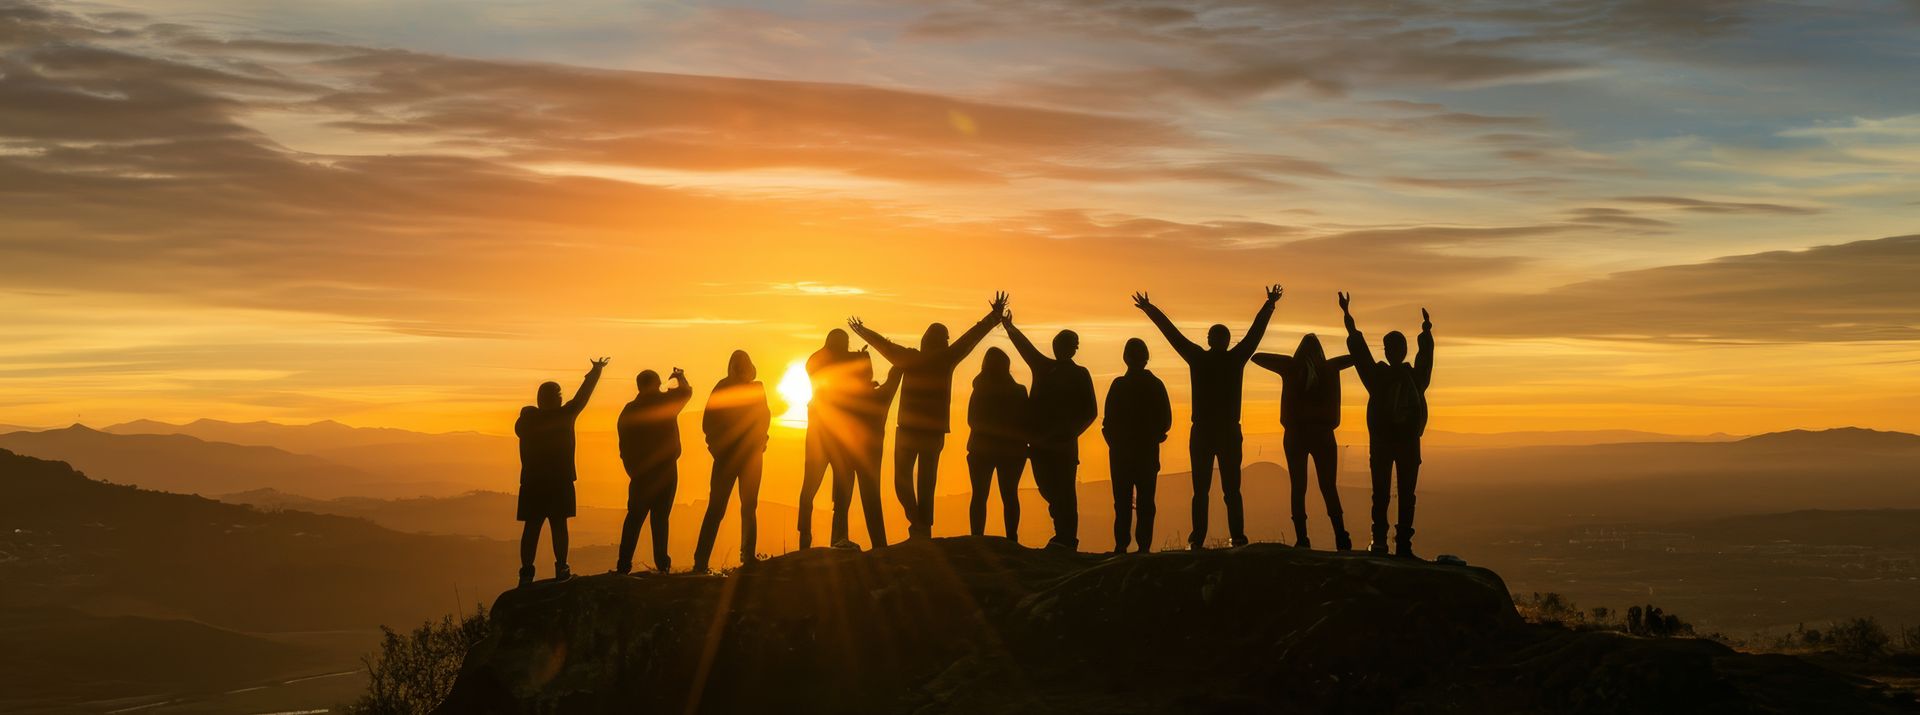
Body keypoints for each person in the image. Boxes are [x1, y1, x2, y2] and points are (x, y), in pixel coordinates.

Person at [847, 292, 1008, 539]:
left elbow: (885, 347)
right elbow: (970, 339)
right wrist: (994, 316)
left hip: (911, 430)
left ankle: (919, 525)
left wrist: (864, 331)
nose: (946, 341)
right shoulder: (945, 358)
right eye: (944, 337)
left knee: (903, 482)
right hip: (931, 432)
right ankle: (922, 526)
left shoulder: (911, 358)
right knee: (925, 485)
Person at [1133, 285, 1281, 550]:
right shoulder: (1235, 358)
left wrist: (1150, 310)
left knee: (1202, 490)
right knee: (1230, 489)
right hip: (1225, 431)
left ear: (1210, 340)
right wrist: (1268, 306)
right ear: (1225, 341)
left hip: (1204, 431)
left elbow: (1173, 335)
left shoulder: (1198, 358)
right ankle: (1235, 536)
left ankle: (1198, 538)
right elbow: (1254, 335)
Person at [1340, 292, 1434, 558]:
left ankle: (1381, 541)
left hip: (1385, 444)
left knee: (1382, 493)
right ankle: (1401, 543)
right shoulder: (1413, 378)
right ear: (1402, 351)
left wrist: (1348, 319)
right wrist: (1425, 333)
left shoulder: (1377, 376)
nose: (1394, 352)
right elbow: (1425, 360)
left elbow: (1360, 353)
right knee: (1404, 494)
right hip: (1404, 443)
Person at [1003, 312, 1096, 551]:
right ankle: (1062, 534)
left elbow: (1090, 411)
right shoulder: (1043, 367)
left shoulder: (1080, 374)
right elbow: (1025, 348)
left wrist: (1068, 434)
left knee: (1065, 492)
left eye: (1066, 345)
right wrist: (1009, 326)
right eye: (1058, 344)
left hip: (1062, 446)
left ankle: (1067, 538)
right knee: (1047, 488)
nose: (1060, 348)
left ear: (1073, 349)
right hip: (1041, 445)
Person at [1253, 335, 1356, 550]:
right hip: (1323, 435)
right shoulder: (1330, 368)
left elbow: (1258, 357)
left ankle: (1302, 539)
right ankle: (1341, 537)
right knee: (1328, 487)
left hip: (1296, 436)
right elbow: (1356, 357)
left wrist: (1291, 361)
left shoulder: (1291, 368)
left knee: (1298, 487)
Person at [514, 357, 609, 587]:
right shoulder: (564, 416)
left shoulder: (526, 421)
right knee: (559, 526)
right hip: (560, 481)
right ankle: (561, 568)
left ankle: (526, 574)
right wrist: (596, 371)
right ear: (557, 399)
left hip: (532, 483)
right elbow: (582, 397)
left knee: (532, 528)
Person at [691, 350, 771, 573]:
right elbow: (709, 424)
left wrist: (762, 440)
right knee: (718, 509)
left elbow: (764, 418)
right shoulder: (723, 388)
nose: (741, 370)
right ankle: (701, 562)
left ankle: (747, 557)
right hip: (731, 458)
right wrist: (718, 449)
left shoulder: (753, 388)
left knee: (746, 507)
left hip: (748, 458)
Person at [614, 367, 691, 574]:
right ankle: (662, 565)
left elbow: (624, 445)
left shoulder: (630, 410)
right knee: (660, 519)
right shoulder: (664, 403)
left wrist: (632, 469)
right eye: (658, 384)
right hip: (665, 470)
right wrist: (680, 377)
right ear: (654, 385)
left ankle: (623, 565)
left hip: (641, 474)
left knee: (635, 519)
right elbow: (686, 393)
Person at [1102, 338, 1171, 554]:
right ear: (1146, 357)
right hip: (1146, 453)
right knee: (1145, 503)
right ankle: (1143, 546)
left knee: (1122, 503)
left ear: (1125, 358)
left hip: (1121, 455)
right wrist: (1155, 436)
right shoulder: (1156, 385)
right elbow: (1166, 421)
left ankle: (1121, 545)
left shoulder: (1118, 385)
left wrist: (1115, 443)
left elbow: (1108, 422)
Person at [798, 330, 860, 549]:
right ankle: (817, 537)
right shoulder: (820, 361)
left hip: (825, 432)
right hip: (828, 433)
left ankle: (827, 537)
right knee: (817, 488)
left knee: (832, 488)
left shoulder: (817, 360)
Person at [833, 351, 901, 550]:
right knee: (871, 501)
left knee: (841, 500)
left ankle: (838, 541)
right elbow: (897, 370)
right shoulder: (881, 395)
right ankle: (879, 545)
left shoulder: (842, 396)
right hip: (870, 456)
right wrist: (889, 348)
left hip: (845, 452)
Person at [965, 347, 1029, 542]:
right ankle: (1012, 538)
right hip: (1012, 451)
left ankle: (977, 537)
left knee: (979, 495)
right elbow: (1026, 421)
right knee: (1009, 495)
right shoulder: (1018, 391)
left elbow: (972, 421)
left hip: (981, 449)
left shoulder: (979, 390)